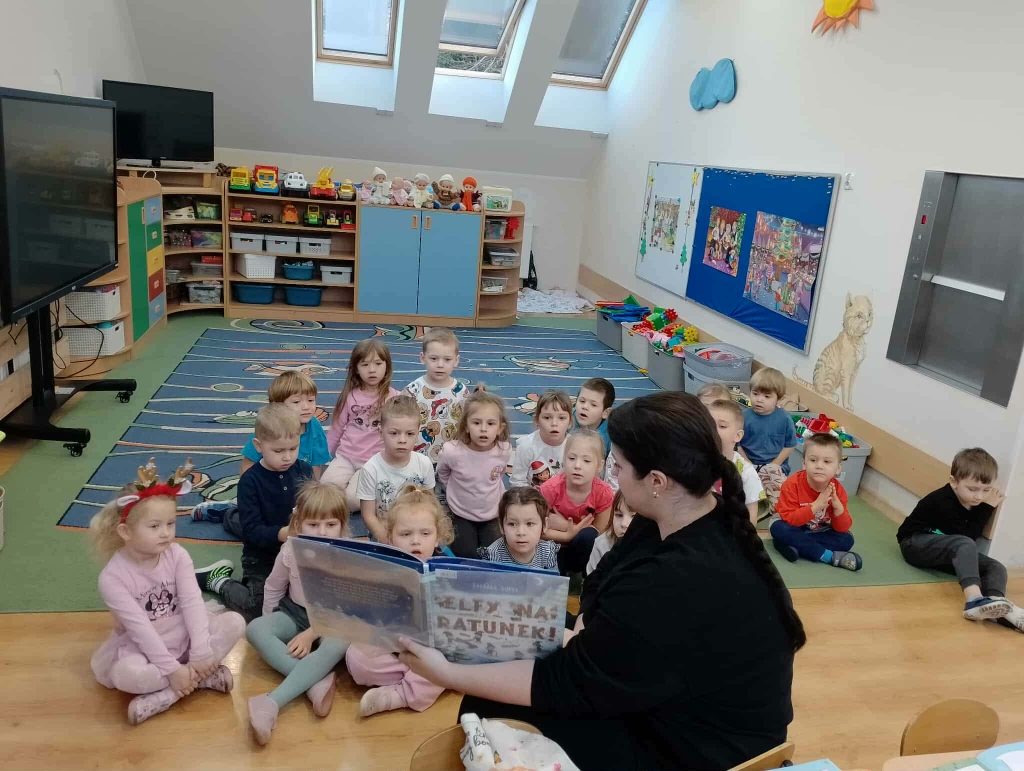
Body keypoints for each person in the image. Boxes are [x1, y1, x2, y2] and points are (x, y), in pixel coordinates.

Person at [397, 391, 804, 771]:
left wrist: (447, 673)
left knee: (486, 708)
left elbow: (566, 682)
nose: (613, 476)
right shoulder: (676, 516)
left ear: (657, 481)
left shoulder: (675, 579)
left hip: (701, 747)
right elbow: (597, 586)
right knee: (499, 674)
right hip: (672, 698)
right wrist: (573, 633)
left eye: (619, 467)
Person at [90, 460, 245, 725]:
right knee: (125, 674)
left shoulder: (177, 555)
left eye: (170, 523)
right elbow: (140, 630)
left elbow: (193, 603)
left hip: (185, 635)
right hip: (147, 649)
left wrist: (200, 652)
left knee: (235, 622)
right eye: (154, 526)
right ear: (126, 531)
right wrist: (172, 670)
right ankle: (198, 679)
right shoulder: (112, 578)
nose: (165, 534)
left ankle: (168, 695)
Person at [245, 480, 351, 744]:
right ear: (298, 523)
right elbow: (273, 587)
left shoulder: (348, 555)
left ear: (342, 526)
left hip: (332, 619)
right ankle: (313, 683)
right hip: (295, 613)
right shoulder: (290, 550)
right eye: (313, 524)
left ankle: (271, 701)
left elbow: (345, 606)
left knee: (339, 644)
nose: (322, 532)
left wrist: (311, 634)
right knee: (255, 628)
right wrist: (268, 622)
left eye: (330, 524)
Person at [197, 405, 313, 619]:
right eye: (278, 451)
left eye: (293, 448)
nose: (287, 457)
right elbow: (252, 532)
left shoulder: (304, 470)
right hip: (262, 556)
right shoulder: (250, 481)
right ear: (258, 446)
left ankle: (230, 514)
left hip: (299, 552)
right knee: (259, 609)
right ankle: (218, 581)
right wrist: (283, 534)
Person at [346, 485, 452, 716]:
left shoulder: (448, 568)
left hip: (435, 650)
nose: (416, 541)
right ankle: (416, 679)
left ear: (437, 538)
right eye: (405, 534)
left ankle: (401, 695)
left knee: (450, 662)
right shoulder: (385, 568)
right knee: (356, 658)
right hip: (398, 648)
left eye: (425, 534)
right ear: (391, 538)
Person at [897, 448, 1024, 630]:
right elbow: (966, 537)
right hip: (915, 543)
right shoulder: (943, 500)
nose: (979, 496)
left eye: (986, 490)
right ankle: (974, 600)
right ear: (953, 482)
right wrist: (987, 507)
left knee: (996, 567)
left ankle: (998, 608)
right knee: (965, 543)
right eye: (972, 489)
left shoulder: (972, 500)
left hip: (946, 550)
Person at [192, 371, 330, 526]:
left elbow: (316, 466)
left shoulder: (314, 427)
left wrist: (311, 498)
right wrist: (248, 492)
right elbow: (248, 464)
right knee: (250, 525)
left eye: (311, 400)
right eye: (297, 402)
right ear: (277, 406)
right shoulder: (269, 430)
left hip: (293, 491)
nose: (306, 407)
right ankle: (228, 512)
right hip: (265, 491)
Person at [322, 339, 399, 510]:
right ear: (356, 369)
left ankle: (377, 493)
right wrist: (325, 456)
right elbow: (336, 429)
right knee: (325, 491)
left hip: (372, 462)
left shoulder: (394, 398)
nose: (372, 369)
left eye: (378, 363)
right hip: (346, 457)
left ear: (387, 366)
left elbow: (403, 430)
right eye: (365, 364)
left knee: (353, 500)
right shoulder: (350, 396)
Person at [436, 390, 513, 557]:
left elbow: (498, 475)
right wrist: (455, 488)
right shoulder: (452, 452)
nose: (483, 429)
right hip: (461, 513)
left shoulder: (504, 450)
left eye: (491, 424)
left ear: (500, 428)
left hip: (492, 514)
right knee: (465, 554)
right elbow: (443, 473)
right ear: (466, 426)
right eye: (477, 423)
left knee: (493, 555)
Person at [770, 432, 862, 571]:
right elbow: (790, 520)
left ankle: (792, 545)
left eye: (827, 462)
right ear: (804, 463)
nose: (819, 466)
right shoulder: (792, 484)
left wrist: (838, 509)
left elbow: (842, 528)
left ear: (838, 468)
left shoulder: (838, 490)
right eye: (813, 460)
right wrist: (815, 506)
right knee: (778, 529)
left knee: (847, 539)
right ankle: (828, 556)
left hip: (816, 530)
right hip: (791, 525)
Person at [357, 395, 435, 542]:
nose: (402, 440)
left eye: (410, 434)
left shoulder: (424, 464)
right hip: (384, 535)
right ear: (381, 432)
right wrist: (388, 540)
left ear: (418, 432)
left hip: (416, 534)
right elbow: (368, 515)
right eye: (394, 433)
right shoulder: (371, 469)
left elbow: (430, 505)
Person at [539, 428, 614, 575]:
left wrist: (567, 526)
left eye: (586, 461)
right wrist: (566, 535)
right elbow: (538, 530)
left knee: (588, 536)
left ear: (599, 466)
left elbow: (599, 535)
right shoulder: (549, 489)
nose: (577, 466)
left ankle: (580, 575)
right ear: (564, 459)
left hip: (583, 553)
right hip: (552, 548)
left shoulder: (603, 493)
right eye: (572, 458)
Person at [403, 327, 468, 464]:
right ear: (423, 358)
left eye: (447, 359)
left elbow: (468, 423)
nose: (440, 365)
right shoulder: (413, 390)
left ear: (456, 360)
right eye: (434, 358)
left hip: (451, 460)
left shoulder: (461, 391)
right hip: (417, 458)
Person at [738, 367, 796, 513]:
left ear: (778, 399)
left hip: (774, 466)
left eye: (767, 396)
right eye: (755, 393)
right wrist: (748, 463)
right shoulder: (744, 417)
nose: (759, 399)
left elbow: (789, 446)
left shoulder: (784, 418)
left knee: (781, 498)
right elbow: (738, 445)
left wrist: (774, 464)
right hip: (747, 462)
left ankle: (772, 512)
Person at [709, 398, 765, 524]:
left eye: (722, 426)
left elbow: (751, 510)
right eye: (709, 424)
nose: (713, 430)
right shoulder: (695, 462)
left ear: (737, 436)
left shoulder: (745, 471)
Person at [481, 486, 560, 571]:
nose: (521, 532)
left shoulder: (547, 552)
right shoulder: (493, 555)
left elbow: (554, 579)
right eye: (512, 524)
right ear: (501, 526)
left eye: (529, 524)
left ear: (544, 525)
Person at [509, 390, 572, 487]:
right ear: (537, 420)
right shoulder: (526, 447)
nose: (554, 423)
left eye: (561, 418)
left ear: (570, 422)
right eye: (547, 418)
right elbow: (517, 482)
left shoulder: (575, 446)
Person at [586, 490, 634, 575]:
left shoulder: (655, 548)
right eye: (619, 515)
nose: (624, 524)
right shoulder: (601, 544)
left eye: (634, 516)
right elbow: (592, 580)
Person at [573, 378, 615, 458]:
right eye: (582, 401)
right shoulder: (565, 418)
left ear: (605, 413)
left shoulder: (611, 435)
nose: (585, 407)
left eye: (593, 405)